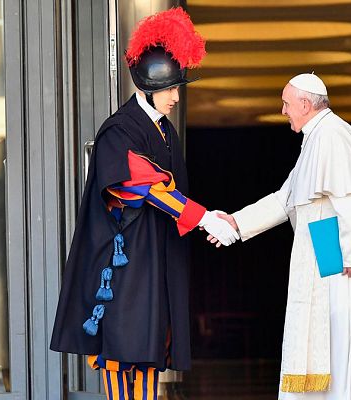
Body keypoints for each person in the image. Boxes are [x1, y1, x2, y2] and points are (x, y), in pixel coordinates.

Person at [49, 8, 238, 400]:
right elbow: (145, 184)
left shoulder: (164, 130)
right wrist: (201, 217)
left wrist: (205, 214)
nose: (176, 95)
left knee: (151, 349)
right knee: (122, 350)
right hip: (125, 264)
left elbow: (170, 190)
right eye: (171, 88)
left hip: (154, 259)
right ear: (150, 87)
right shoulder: (120, 130)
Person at [215, 73, 351, 399]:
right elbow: (285, 198)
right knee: (330, 354)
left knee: (342, 356)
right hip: (330, 264)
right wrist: (236, 222)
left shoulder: (333, 135)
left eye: (286, 104)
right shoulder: (316, 137)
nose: (283, 112)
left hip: (345, 269)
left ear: (305, 104)